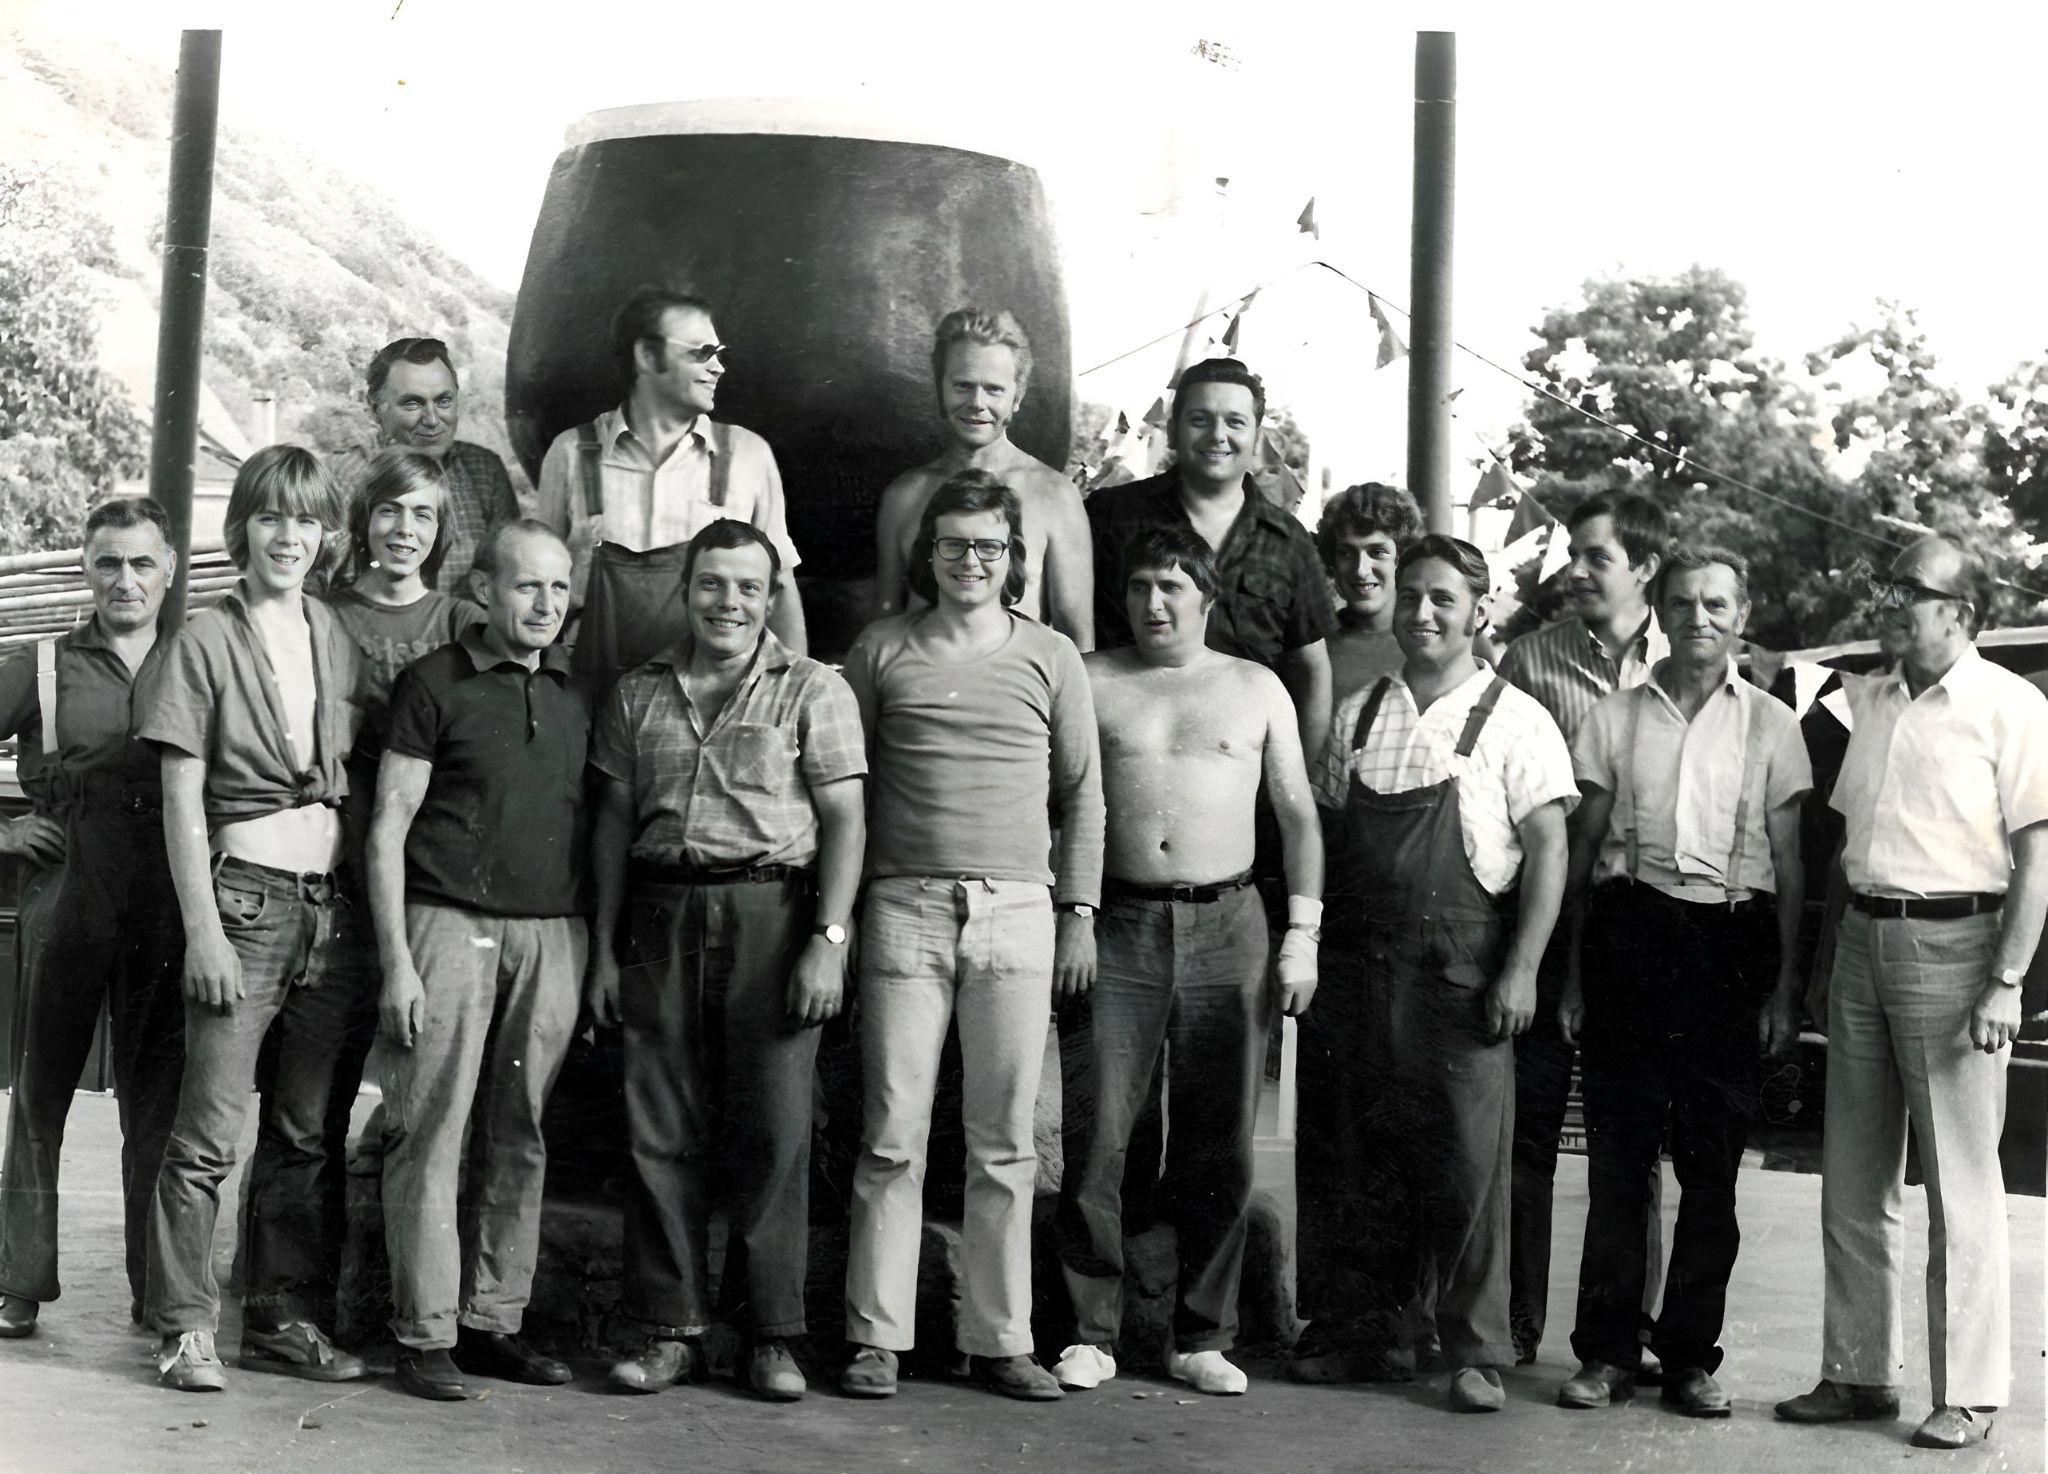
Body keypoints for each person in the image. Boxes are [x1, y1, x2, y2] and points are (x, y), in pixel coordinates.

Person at [1774, 536, 2048, 1451]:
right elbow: (1849, 847)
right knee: (1853, 1175)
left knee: (1961, 1189)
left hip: (1961, 950)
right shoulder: (1873, 701)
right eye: (1889, 586)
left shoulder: (2012, 707)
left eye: (1912, 591)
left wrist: (2007, 981)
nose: (1892, 602)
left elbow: (2039, 860)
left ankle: (1968, 1394)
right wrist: (1819, 968)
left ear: (1962, 612)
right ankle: (1856, 1375)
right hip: (1861, 945)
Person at [839, 469, 1103, 1403]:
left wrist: (1078, 912)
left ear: (1013, 558)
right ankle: (877, 1338)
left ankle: (1002, 1340)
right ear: (928, 554)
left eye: (988, 546)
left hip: (1019, 915)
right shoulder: (880, 651)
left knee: (1004, 1145)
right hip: (904, 909)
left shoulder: (1052, 658)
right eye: (952, 544)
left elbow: (1083, 797)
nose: (970, 561)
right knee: (891, 1136)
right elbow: (848, 793)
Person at [587, 521, 866, 1402]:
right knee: (657, 1126)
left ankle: (770, 1337)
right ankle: (670, 1330)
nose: (729, 603)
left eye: (748, 587)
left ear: (774, 593)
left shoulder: (814, 690)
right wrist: (601, 947)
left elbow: (849, 825)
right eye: (712, 585)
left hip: (773, 917)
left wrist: (828, 941)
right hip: (661, 911)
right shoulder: (639, 692)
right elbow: (610, 828)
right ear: (686, 591)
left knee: (774, 1130)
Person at [1301, 534, 1575, 1414]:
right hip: (1362, 961)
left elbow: (1549, 851)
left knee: (1465, 1163)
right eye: (1411, 596)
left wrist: (1523, 969)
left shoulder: (1515, 717)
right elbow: (1331, 837)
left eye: (1443, 600)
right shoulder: (1361, 712)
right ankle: (1368, 1335)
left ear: (1478, 612)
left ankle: (1473, 1349)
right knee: (1359, 1154)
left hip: (1461, 966)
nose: (1422, 613)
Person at [1051, 526, 1322, 1397]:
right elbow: (1054, 802)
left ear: (1207, 598)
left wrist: (1301, 936)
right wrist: (1073, 914)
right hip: (1117, 918)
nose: (1154, 603)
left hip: (1228, 919)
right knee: (1100, 1134)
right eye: (1138, 587)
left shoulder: (1255, 687)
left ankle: (1204, 1333)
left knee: (1219, 1138)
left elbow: (1300, 818)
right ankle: (1091, 1328)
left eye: (1172, 586)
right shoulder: (1091, 679)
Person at [1554, 545, 1810, 1418]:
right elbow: (1583, 854)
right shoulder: (1614, 715)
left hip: (1728, 944)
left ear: (1743, 615)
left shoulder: (1773, 724)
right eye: (1683, 603)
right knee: (1621, 1165)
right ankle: (1606, 1355)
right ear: (1658, 610)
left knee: (1712, 1172)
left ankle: (1691, 1356)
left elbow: (1789, 864)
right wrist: (1577, 977)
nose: (1699, 618)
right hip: (1631, 935)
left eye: (1717, 604)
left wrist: (1783, 990)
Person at [138, 446, 371, 1392]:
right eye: (272, 517)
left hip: (332, 911)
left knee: (306, 1133)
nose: (290, 536)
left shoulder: (333, 631)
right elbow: (180, 798)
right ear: (243, 528)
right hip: (245, 903)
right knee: (207, 1136)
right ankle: (185, 1328)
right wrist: (203, 930)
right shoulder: (200, 639)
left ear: (325, 536)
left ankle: (279, 1318)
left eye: (307, 520)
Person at [363, 519, 590, 1401]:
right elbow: (388, 826)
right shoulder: (433, 684)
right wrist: (397, 963)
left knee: (520, 1131)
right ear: (486, 592)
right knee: (432, 1127)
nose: (543, 605)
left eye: (558, 589)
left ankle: (494, 1321)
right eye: (527, 587)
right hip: (448, 923)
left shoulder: (575, 691)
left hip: (551, 934)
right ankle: (423, 1332)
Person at [0, 499, 186, 1338]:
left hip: (165, 901)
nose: (125, 580)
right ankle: (17, 1282)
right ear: (86, 567)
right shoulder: (40, 663)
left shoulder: (195, 660)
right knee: (41, 1097)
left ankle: (159, 1293)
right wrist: (3, 827)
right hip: (68, 894)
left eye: (141, 563)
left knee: (158, 1102)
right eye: (109, 562)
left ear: (169, 569)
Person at [1496, 489, 1670, 1369]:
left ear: (1644, 568)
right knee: (1526, 1139)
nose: (1577, 570)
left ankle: (1624, 1334)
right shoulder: (1530, 660)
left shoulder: (1697, 658)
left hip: (1646, 930)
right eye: (1575, 553)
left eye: (1597, 556)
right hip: (1545, 917)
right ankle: (1514, 1326)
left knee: (1629, 1145)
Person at [533, 287, 808, 693]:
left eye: (719, 354)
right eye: (702, 353)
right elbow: (537, 588)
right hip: (592, 700)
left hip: (712, 705)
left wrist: (794, 695)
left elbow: (780, 589)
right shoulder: (572, 453)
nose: (719, 368)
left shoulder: (749, 455)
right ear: (647, 356)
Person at [1085, 356, 1336, 767]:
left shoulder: (1289, 542)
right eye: (1200, 419)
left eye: (1235, 422)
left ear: (1256, 437)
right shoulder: (1111, 516)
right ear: (1173, 430)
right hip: (1126, 768)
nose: (1217, 436)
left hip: (1242, 786)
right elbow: (1072, 635)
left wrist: (1294, 785)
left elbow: (1312, 672)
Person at [872, 307, 1094, 649]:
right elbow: (883, 630)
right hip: (919, 694)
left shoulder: (1055, 495)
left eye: (993, 389)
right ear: (939, 387)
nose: (976, 403)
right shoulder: (904, 495)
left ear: (1017, 397)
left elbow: (1078, 639)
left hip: (1019, 695)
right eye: (962, 385)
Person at [347, 336, 520, 597]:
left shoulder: (484, 470)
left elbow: (506, 575)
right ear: (375, 410)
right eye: (413, 403)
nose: (432, 420)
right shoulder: (349, 478)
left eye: (443, 401)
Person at [1316, 482, 1424, 708]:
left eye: (1377, 552)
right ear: (1332, 562)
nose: (1361, 570)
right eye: (1346, 553)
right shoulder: (1312, 647)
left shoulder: (1435, 640)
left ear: (1402, 560)